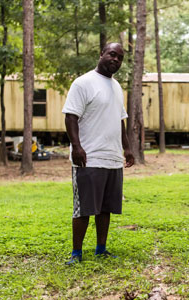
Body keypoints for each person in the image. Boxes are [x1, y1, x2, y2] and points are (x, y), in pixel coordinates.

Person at [62, 42, 134, 265]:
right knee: (84, 208)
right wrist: (77, 146)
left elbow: (119, 120)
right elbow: (70, 116)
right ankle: (76, 253)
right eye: (112, 54)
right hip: (89, 157)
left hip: (112, 158)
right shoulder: (83, 83)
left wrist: (127, 147)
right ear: (101, 54)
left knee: (106, 207)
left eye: (120, 58)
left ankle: (101, 249)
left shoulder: (117, 87)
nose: (116, 59)